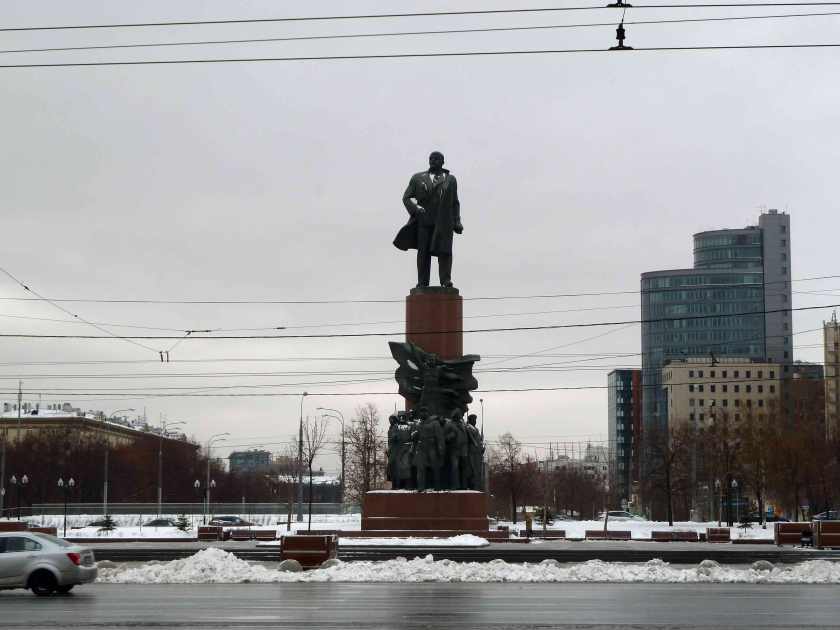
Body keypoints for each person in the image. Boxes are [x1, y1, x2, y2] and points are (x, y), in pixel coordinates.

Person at [394, 151, 463, 288]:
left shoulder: (451, 180)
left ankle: (445, 280)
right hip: (424, 220)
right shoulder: (417, 178)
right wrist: (416, 209)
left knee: (445, 251)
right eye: (431, 158)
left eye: (437, 158)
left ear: (443, 162)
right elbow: (406, 197)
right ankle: (422, 282)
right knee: (423, 252)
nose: (433, 160)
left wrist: (457, 221)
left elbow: (455, 202)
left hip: (444, 221)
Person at [465, 413, 485, 490]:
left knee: (478, 471)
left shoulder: (476, 429)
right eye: (474, 420)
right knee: (472, 470)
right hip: (472, 452)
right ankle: (472, 486)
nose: (475, 421)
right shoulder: (468, 428)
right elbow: (471, 441)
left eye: (475, 420)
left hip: (478, 453)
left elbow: (479, 441)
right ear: (470, 420)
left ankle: (477, 487)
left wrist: (481, 449)